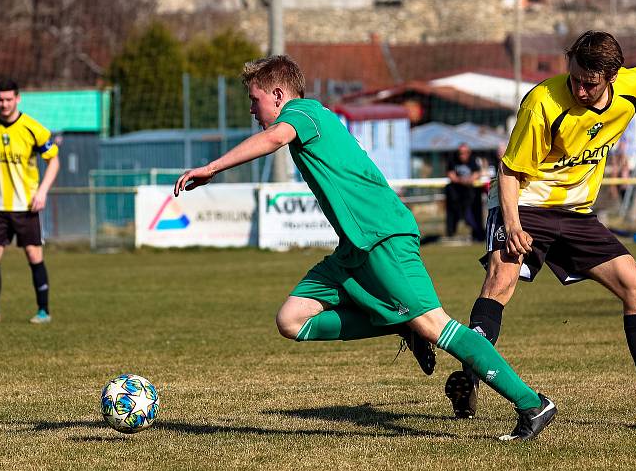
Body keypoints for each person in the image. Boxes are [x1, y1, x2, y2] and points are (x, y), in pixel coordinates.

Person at [174, 55, 557, 441]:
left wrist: (212, 168)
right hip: (354, 248)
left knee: (436, 325)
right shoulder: (307, 119)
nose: (252, 110)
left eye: (254, 100)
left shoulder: (303, 111)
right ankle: (403, 323)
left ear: (277, 94)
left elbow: (274, 138)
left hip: (382, 235)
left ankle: (530, 403)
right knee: (292, 319)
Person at [444, 31, 636, 429]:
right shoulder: (544, 102)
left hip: (576, 211)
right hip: (527, 202)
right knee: (501, 280)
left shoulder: (628, 85)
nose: (578, 88)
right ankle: (470, 377)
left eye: (589, 83)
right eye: (574, 77)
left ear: (612, 77)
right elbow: (509, 170)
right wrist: (512, 224)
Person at [0, 79, 60, 324]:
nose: (4, 104)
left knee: (33, 255)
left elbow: (54, 161)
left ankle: (43, 311)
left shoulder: (32, 128)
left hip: (26, 205)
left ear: (18, 99)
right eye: (0, 100)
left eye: (8, 99)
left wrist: (42, 192)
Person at [445, 143, 484, 241]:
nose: (462, 155)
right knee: (453, 214)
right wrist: (461, 180)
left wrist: (467, 180)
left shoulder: (473, 159)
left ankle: (478, 234)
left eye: (465, 153)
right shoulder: (453, 159)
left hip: (471, 194)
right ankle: (451, 233)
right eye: (460, 153)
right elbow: (450, 174)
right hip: (456, 194)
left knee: (473, 215)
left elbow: (477, 173)